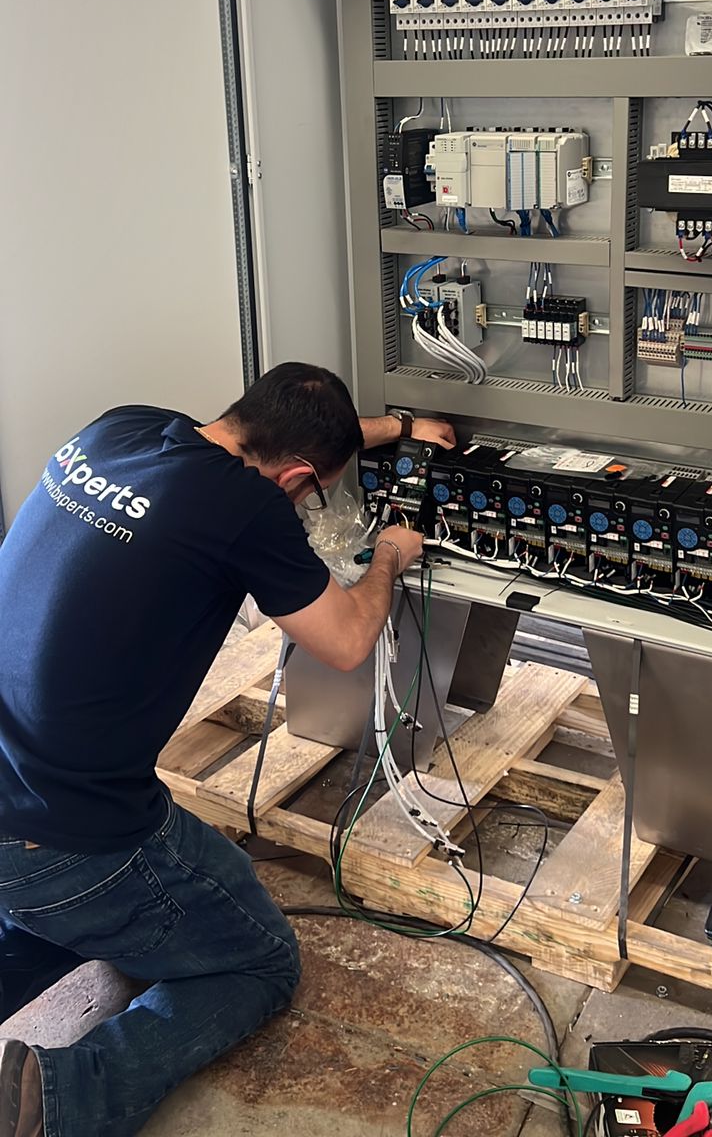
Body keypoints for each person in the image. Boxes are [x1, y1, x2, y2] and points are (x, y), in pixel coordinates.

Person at [0, 363, 454, 1137]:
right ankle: (59, 1098)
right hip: (68, 830)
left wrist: (401, 431)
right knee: (261, 960)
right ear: (297, 479)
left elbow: (292, 436)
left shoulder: (123, 426)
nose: (307, 506)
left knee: (50, 908)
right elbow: (348, 641)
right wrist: (389, 556)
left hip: (15, 800)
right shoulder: (247, 507)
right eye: (314, 494)